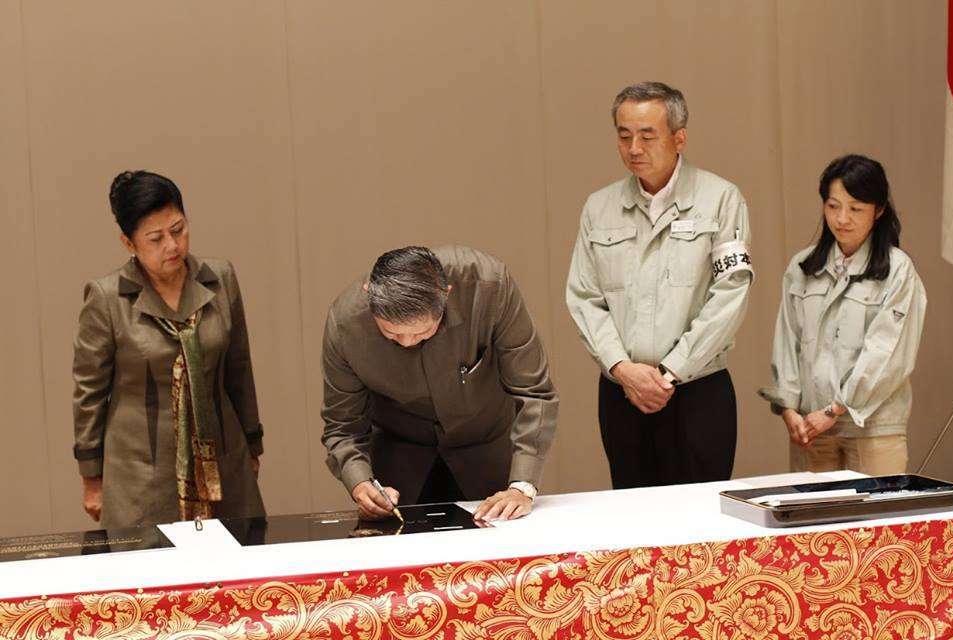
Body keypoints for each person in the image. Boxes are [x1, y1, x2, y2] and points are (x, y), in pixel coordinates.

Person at [566, 81, 754, 489]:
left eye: (647, 136)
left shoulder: (721, 199)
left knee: (698, 518)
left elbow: (730, 296)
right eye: (624, 136)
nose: (634, 148)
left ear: (679, 138)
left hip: (697, 391)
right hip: (623, 393)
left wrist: (669, 373)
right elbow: (584, 297)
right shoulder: (599, 207)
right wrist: (622, 369)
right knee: (633, 515)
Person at [73, 170, 265, 528]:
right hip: (141, 477)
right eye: (156, 238)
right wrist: (91, 477)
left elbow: (239, 369)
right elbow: (89, 395)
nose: (172, 245)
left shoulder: (220, 279)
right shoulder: (107, 298)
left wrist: (252, 445)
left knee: (237, 557)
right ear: (129, 243)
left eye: (178, 229)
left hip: (223, 464)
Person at [321, 245, 558, 521]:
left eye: (422, 332)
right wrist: (360, 482)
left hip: (488, 454)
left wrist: (522, 486)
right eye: (391, 334)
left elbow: (534, 392)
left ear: (446, 294)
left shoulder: (489, 287)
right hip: (400, 464)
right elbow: (342, 425)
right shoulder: (345, 324)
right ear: (367, 295)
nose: (407, 342)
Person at [759, 155, 926, 474]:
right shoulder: (802, 267)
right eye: (833, 206)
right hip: (810, 428)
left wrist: (835, 409)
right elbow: (787, 342)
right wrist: (789, 408)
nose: (842, 218)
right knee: (814, 509)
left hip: (873, 428)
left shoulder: (897, 271)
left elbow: (887, 354)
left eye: (856, 209)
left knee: (874, 509)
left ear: (878, 210)